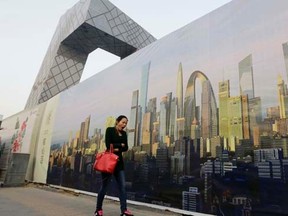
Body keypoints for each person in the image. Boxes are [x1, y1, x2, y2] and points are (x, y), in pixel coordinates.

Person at [94, 115, 133, 216]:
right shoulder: (110, 130)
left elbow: (126, 148)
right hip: (109, 163)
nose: (124, 125)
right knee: (104, 187)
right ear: (117, 121)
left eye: (126, 123)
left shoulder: (124, 134)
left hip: (119, 163)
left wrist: (116, 147)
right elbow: (108, 145)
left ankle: (124, 210)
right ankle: (98, 210)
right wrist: (120, 145)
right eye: (123, 122)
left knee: (122, 187)